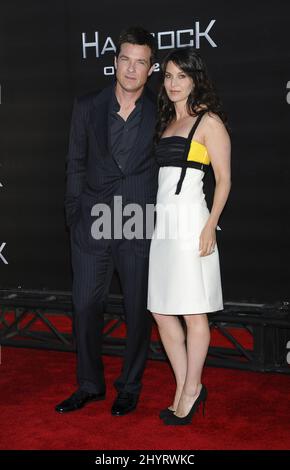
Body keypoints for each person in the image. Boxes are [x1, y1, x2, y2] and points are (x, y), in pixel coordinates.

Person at [55, 27, 158, 416]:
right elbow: (75, 162)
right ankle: (89, 384)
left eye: (141, 62)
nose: (132, 69)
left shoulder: (160, 108)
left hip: (136, 219)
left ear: (150, 69)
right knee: (84, 306)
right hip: (92, 221)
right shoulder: (87, 106)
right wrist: (74, 215)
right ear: (115, 62)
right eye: (126, 59)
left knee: (136, 311)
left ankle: (129, 387)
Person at [147, 47, 231, 425]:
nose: (174, 83)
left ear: (195, 79)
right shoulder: (165, 123)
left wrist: (210, 223)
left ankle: (192, 390)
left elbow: (225, 179)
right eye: (167, 76)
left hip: (191, 226)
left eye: (181, 75)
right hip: (163, 228)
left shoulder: (208, 122)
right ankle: (185, 386)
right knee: (161, 311)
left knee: (195, 313)